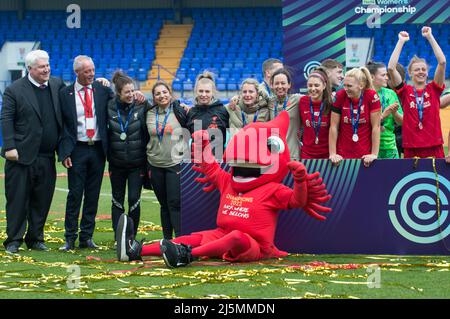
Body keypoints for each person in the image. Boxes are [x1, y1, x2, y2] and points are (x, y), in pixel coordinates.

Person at [116, 111, 331, 266]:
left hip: (254, 245)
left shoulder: (272, 189)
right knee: (187, 238)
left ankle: (186, 256)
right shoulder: (229, 180)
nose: (244, 168)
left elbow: (298, 201)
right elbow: (210, 167)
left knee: (236, 236)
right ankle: (135, 251)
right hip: (220, 234)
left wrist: (300, 180)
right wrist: (202, 146)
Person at [1, 50, 65, 253]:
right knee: (18, 200)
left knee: (42, 199)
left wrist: (99, 82)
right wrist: (9, 146)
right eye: (41, 67)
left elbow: (73, 99)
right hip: (20, 156)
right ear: (30, 69)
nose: (46, 69)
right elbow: (6, 119)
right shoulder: (14, 90)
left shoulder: (57, 84)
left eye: (47, 65)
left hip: (47, 156)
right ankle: (14, 240)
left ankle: (35, 238)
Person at [58, 55, 115, 251]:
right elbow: (62, 127)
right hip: (77, 149)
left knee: (93, 194)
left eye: (92, 70)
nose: (91, 74)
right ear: (77, 73)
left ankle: (87, 237)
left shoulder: (103, 90)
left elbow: (123, 103)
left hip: (98, 149)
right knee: (75, 194)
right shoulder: (64, 94)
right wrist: (64, 153)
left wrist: (139, 96)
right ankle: (69, 237)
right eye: (87, 71)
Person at [388, 27, 447, 159]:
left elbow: (442, 62)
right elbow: (391, 68)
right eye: (416, 70)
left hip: (434, 145)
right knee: (412, 180)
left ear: (427, 72)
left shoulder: (434, 89)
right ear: (410, 73)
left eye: (423, 69)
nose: (421, 72)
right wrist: (401, 41)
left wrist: (430, 37)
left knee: (435, 180)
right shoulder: (405, 91)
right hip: (411, 147)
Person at [107, 71, 150, 240]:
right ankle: (119, 237)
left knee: (134, 198)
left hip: (136, 164)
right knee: (117, 199)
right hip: (116, 163)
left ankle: (131, 235)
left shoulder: (142, 105)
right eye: (127, 92)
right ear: (118, 93)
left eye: (133, 91)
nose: (131, 94)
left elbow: (161, 109)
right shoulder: (109, 105)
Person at [146, 81, 187, 240]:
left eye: (164, 92)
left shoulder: (180, 111)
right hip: (155, 164)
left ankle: (180, 239)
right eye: (158, 94)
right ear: (154, 97)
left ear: (170, 93)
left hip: (175, 164)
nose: (162, 96)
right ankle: (167, 239)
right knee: (164, 205)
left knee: (175, 203)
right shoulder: (149, 113)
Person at [329, 67, 381, 167]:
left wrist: (374, 154)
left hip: (365, 155)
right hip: (342, 155)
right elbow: (333, 126)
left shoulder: (371, 96)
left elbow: (376, 127)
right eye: (344, 85)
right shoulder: (340, 96)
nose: (345, 89)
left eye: (349, 86)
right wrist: (333, 153)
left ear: (361, 85)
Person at [186, 71, 229, 158]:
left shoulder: (223, 111)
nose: (204, 95)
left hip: (217, 163)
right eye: (201, 91)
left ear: (212, 92)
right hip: (196, 163)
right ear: (196, 91)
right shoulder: (191, 112)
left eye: (207, 91)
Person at [367, 61, 403, 159]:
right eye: (383, 75)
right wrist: (384, 114)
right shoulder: (364, 94)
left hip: (390, 146)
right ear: (372, 77)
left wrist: (394, 112)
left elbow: (402, 122)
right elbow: (362, 123)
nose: (387, 78)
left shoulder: (391, 93)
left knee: (395, 174)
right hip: (370, 146)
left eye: (387, 74)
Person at [268, 68, 303, 160]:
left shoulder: (297, 99)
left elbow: (316, 98)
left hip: (292, 155)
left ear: (289, 84)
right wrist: (236, 99)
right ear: (271, 85)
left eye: (283, 83)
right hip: (274, 156)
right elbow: (251, 99)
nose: (280, 86)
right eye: (276, 83)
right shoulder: (269, 102)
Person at [298, 67, 333, 159]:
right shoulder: (303, 101)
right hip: (306, 155)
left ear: (324, 85)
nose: (313, 89)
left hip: (327, 156)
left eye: (317, 85)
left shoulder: (331, 104)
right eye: (310, 85)